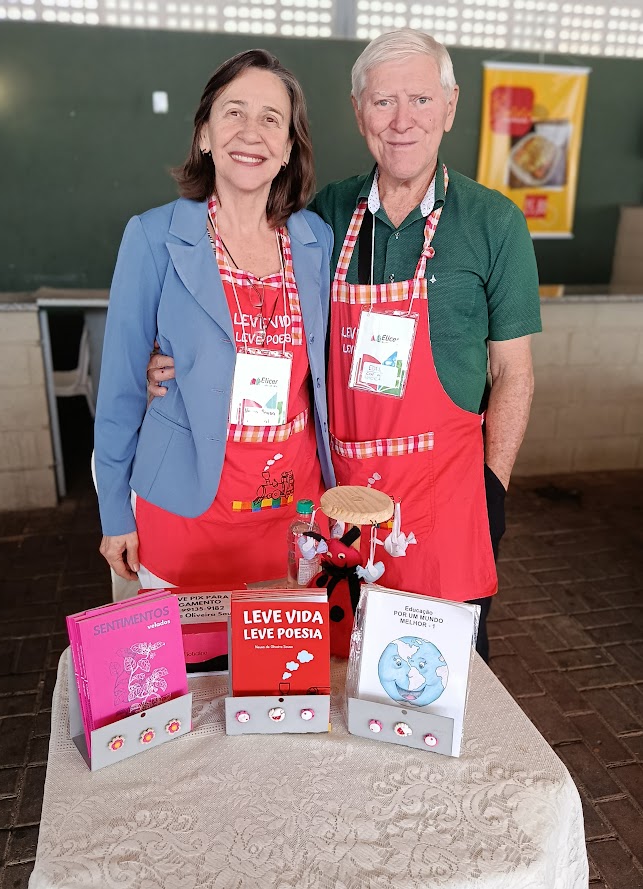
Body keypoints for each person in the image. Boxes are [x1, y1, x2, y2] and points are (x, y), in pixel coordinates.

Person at [147, 30, 541, 660]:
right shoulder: (323, 216)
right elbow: (248, 298)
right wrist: (167, 359)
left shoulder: (495, 223)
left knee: (431, 673)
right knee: (332, 666)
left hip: (446, 500)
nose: (402, 121)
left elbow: (513, 372)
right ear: (359, 113)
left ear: (450, 106)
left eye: (420, 99)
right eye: (384, 102)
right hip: (337, 501)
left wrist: (494, 486)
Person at [95, 49, 335, 590]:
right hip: (186, 511)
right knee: (189, 649)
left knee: (283, 647)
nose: (251, 133)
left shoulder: (315, 241)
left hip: (294, 512)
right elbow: (120, 388)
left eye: (271, 119)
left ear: (288, 148)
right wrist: (113, 510)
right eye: (234, 112)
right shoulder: (153, 237)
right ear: (204, 133)